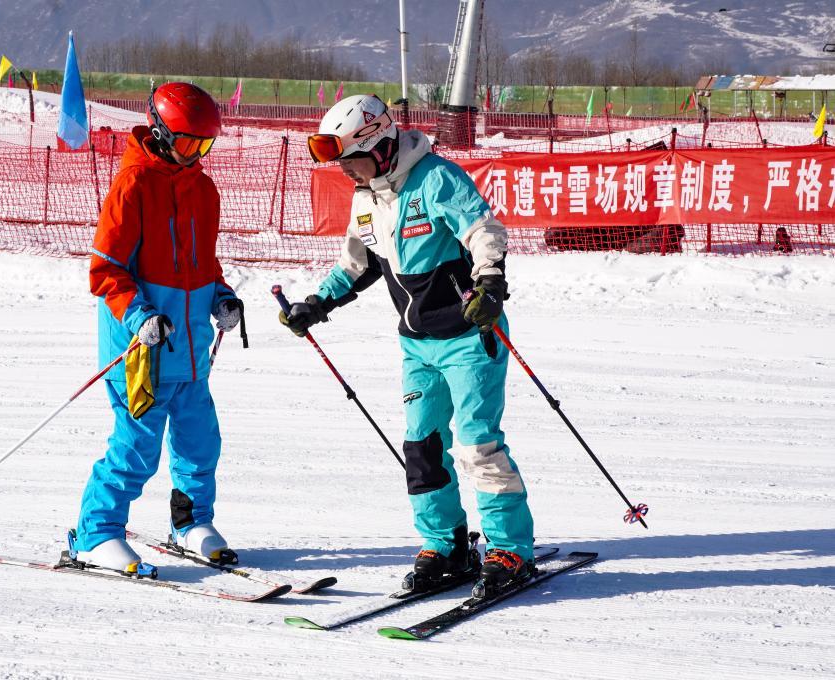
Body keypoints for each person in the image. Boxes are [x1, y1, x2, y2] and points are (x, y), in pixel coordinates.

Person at [281, 94, 535, 593]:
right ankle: (446, 543)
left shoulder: (436, 178)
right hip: (417, 344)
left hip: (468, 336)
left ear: (379, 146)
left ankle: (511, 549)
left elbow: (483, 231)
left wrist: (490, 284)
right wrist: (317, 303)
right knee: (422, 447)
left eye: (352, 160)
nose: (346, 171)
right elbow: (358, 265)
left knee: (478, 445)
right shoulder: (366, 197)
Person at [69, 82, 244, 576]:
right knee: (135, 450)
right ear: (163, 133)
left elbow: (203, 266)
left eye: (204, 145)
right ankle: (96, 534)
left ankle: (191, 523)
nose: (195, 155)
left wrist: (222, 296)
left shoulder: (203, 190)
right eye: (188, 142)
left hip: (190, 351)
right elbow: (105, 270)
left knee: (200, 445)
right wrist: (140, 315)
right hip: (141, 353)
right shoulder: (133, 185)